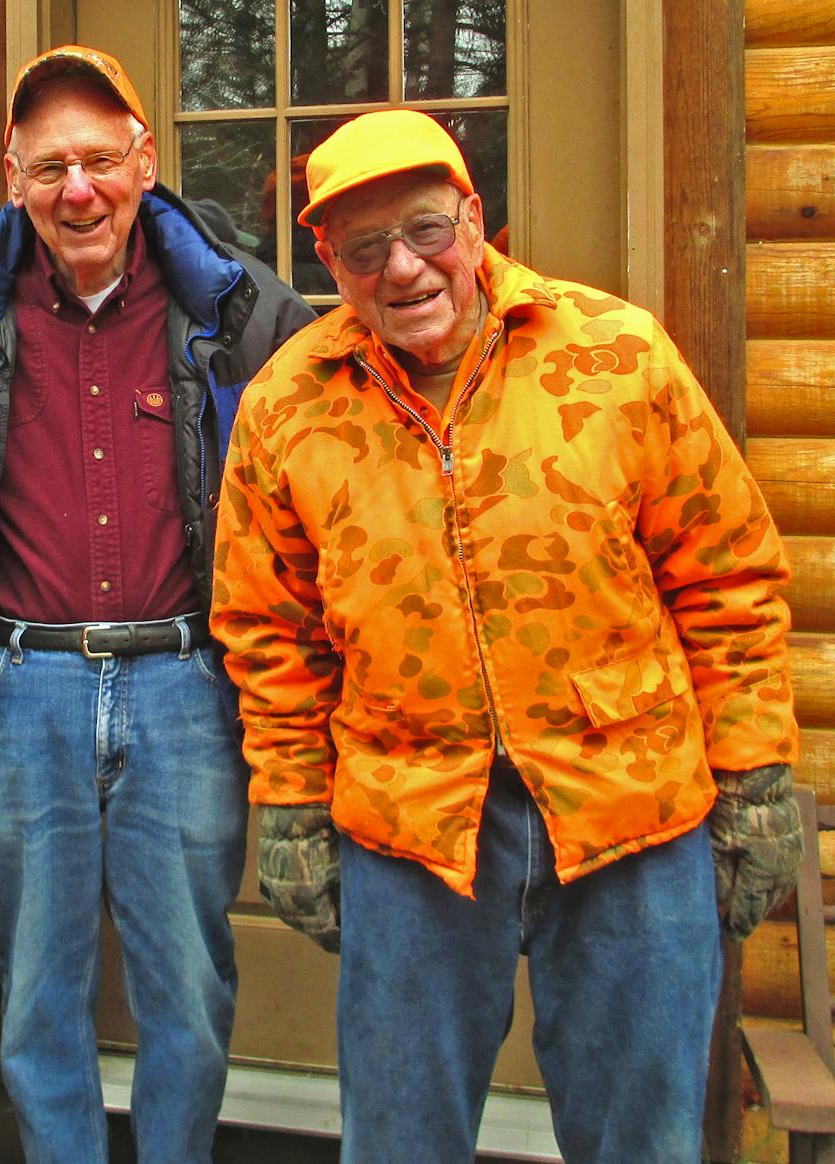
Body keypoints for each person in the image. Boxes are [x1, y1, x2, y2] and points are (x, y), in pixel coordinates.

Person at [211, 109, 803, 1164]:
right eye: (361, 250)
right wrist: (291, 802)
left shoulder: (615, 356)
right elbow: (269, 632)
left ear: (474, 217)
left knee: (641, 1140)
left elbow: (727, 577)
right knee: (397, 1140)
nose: (402, 268)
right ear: (329, 264)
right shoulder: (286, 407)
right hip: (410, 824)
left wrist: (753, 772)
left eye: (426, 229)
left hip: (631, 805)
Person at [0, 45, 314, 1164]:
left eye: (96, 160)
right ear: (11, 176)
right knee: (34, 983)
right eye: (49, 168)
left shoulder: (238, 311)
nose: (75, 190)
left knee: (187, 980)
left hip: (184, 687)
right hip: (18, 687)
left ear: (143, 160)